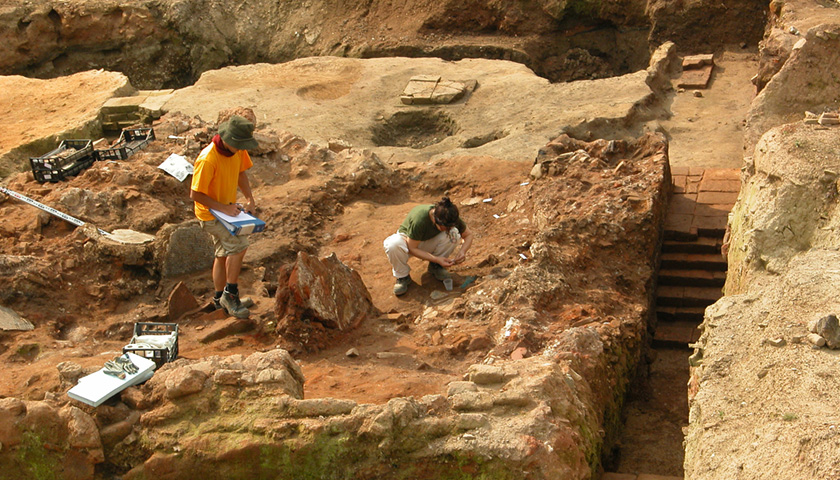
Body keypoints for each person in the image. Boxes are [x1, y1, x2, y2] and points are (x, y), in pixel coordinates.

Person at [190, 115, 259, 318]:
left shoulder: (237, 149)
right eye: (240, 145)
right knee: (240, 245)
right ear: (229, 140)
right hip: (210, 215)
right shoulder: (207, 159)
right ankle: (230, 294)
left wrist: (250, 198)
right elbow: (195, 194)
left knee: (221, 254)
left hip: (225, 211)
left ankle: (219, 299)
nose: (242, 148)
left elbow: (240, 173)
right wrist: (223, 208)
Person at [383, 196, 473, 296]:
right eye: (445, 227)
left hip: (427, 242)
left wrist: (463, 251)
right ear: (435, 220)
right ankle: (403, 277)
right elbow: (412, 248)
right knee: (393, 245)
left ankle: (436, 267)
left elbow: (468, 235)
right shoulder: (420, 219)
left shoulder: (449, 216)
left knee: (454, 234)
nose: (448, 229)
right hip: (408, 242)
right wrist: (437, 258)